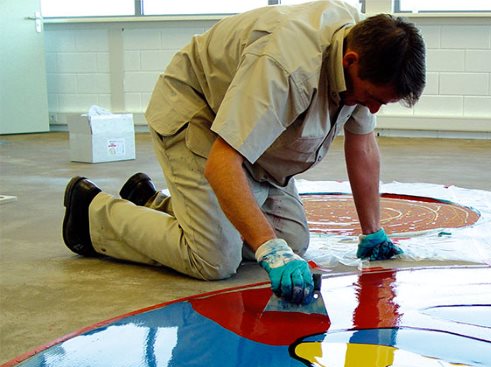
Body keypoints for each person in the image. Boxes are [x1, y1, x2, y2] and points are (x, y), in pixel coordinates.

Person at [62, 0, 425, 305]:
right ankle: (93, 215)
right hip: (199, 111)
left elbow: (362, 145)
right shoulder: (285, 67)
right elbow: (223, 163)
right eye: (373, 98)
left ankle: (159, 205)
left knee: (294, 242)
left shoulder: (370, 49)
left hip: (258, 142)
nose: (373, 110)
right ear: (350, 61)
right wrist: (269, 248)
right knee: (215, 258)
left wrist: (372, 231)